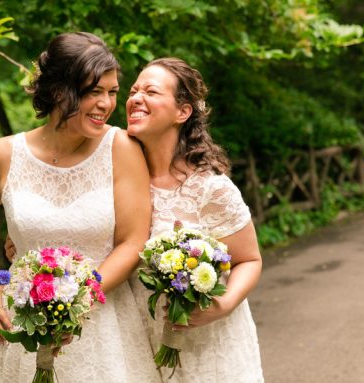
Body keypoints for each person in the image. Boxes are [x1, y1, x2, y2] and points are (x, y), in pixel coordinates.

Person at [0, 32, 162, 382]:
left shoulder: (121, 148)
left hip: (103, 328)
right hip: (25, 329)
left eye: (112, 92)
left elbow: (133, 242)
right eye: (92, 91)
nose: (106, 104)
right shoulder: (3, 155)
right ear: (57, 91)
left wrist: (73, 303)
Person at [125, 58, 264, 382]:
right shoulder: (120, 182)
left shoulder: (210, 188)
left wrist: (224, 304)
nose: (135, 98)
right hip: (140, 345)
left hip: (209, 349)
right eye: (133, 91)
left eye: (151, 91)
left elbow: (250, 259)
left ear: (182, 112)